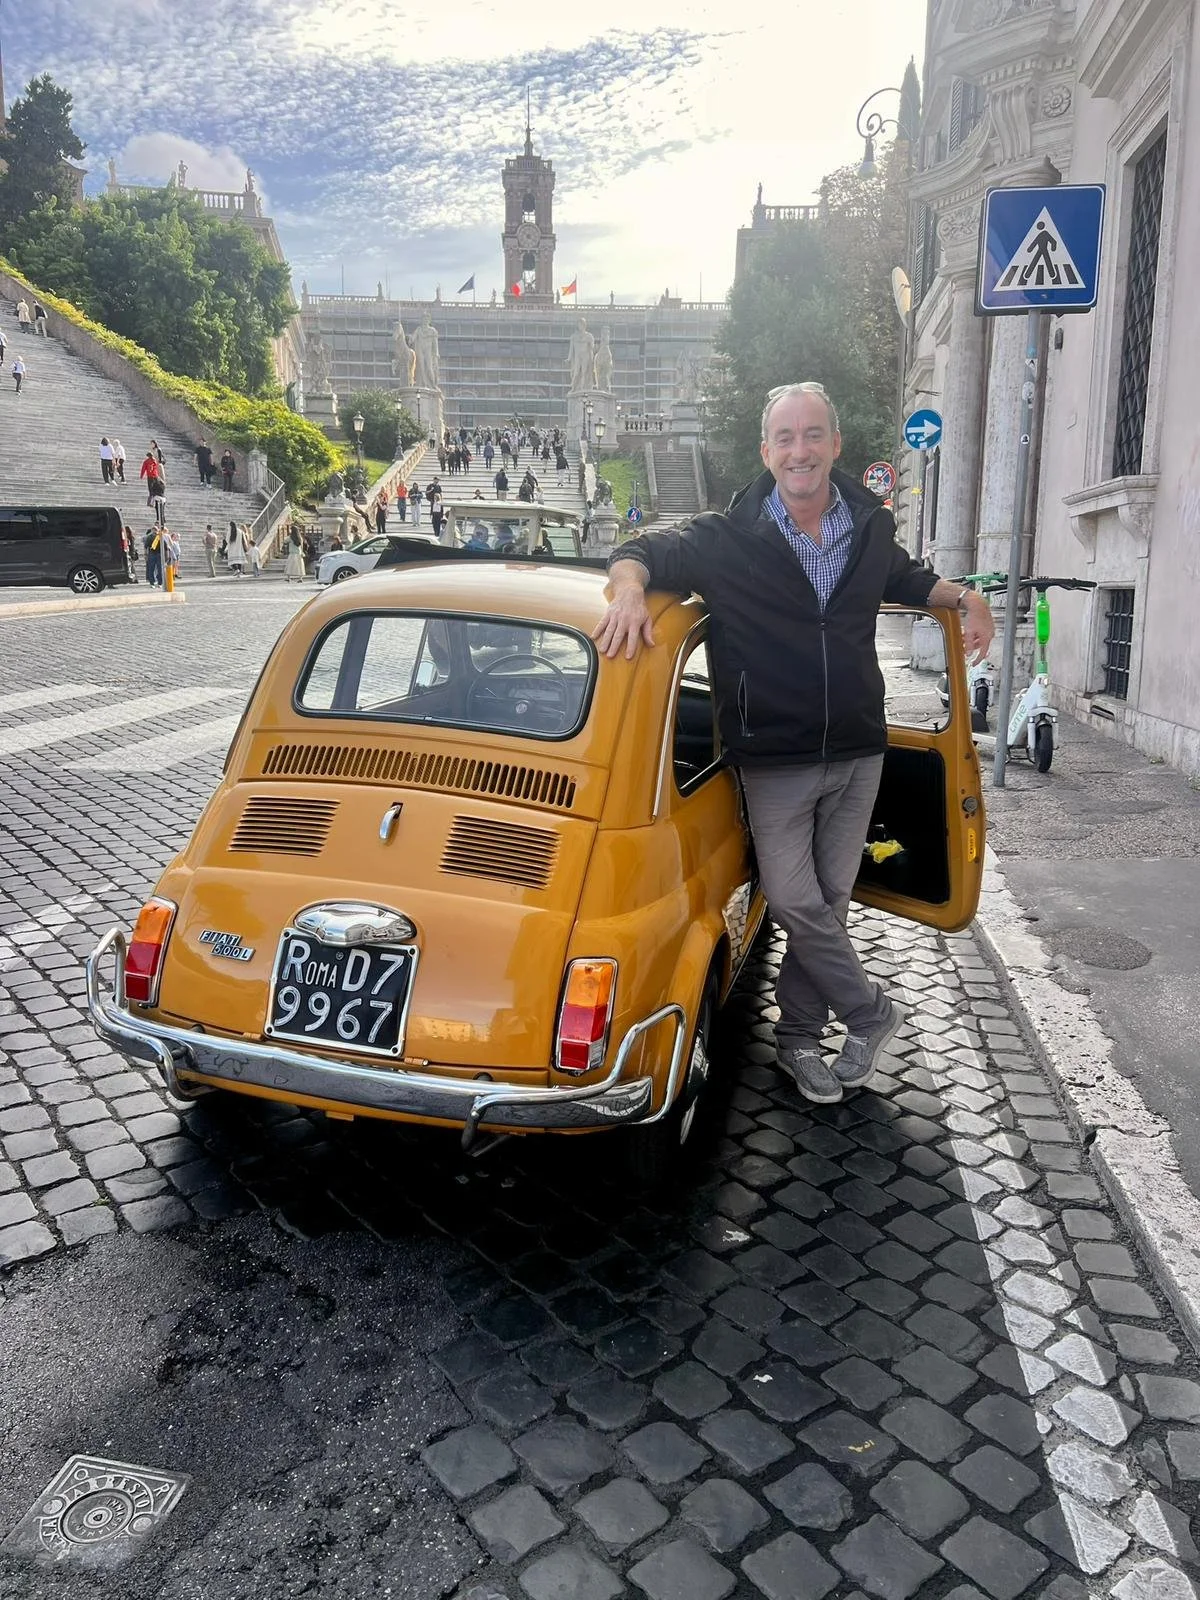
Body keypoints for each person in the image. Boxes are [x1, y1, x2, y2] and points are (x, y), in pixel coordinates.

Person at [593, 381, 995, 1106]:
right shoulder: (726, 538)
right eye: (786, 438)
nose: (800, 450)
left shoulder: (868, 526)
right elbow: (642, 549)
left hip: (859, 748)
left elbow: (903, 577)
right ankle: (871, 1013)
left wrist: (963, 596)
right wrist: (627, 588)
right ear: (766, 452)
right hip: (774, 757)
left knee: (831, 900)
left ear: (835, 445)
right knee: (792, 899)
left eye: (813, 435)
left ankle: (800, 1041)